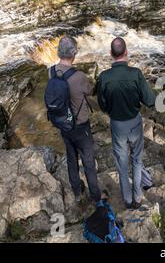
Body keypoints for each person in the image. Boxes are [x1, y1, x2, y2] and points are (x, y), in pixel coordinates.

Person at [96, 37, 156, 210]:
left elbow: (102, 105)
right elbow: (150, 100)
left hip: (117, 125)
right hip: (135, 123)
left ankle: (128, 201)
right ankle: (138, 196)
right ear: (126, 52)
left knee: (122, 166)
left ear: (110, 54)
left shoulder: (104, 77)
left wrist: (112, 110)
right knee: (137, 161)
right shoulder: (136, 74)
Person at [50, 36, 101, 204]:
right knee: (88, 161)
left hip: (63, 124)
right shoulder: (79, 76)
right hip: (81, 125)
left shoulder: (50, 71)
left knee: (72, 159)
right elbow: (91, 91)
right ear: (74, 54)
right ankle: (95, 196)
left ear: (59, 52)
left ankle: (77, 192)